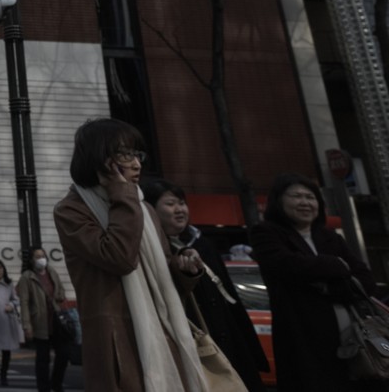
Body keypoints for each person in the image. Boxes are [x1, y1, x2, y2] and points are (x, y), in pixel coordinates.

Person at [53, 117, 205, 391]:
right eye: (125, 154)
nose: (136, 163)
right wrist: (123, 193)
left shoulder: (142, 208)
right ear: (100, 159)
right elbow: (119, 258)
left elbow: (165, 281)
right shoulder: (72, 210)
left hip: (164, 331)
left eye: (137, 154)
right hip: (117, 339)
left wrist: (185, 271)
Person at [250, 173, 377, 392]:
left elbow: (365, 279)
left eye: (310, 197)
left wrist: (329, 285)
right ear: (279, 201)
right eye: (296, 196)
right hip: (303, 339)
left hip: (354, 340)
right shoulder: (266, 233)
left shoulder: (331, 237)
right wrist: (336, 266)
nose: (305, 202)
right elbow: (288, 266)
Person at [141, 178, 267, 391]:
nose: (179, 209)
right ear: (151, 210)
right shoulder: (150, 251)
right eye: (170, 203)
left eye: (182, 203)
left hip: (227, 340)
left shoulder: (202, 243)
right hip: (192, 345)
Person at [17, 247, 71, 392]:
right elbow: (24, 302)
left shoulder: (51, 272)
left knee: (64, 355)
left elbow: (61, 289)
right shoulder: (27, 277)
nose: (41, 259)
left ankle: (56, 383)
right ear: (31, 260)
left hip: (57, 320)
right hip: (40, 322)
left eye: (43, 255)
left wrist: (59, 295)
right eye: (37, 256)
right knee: (43, 359)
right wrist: (26, 325)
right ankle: (44, 387)